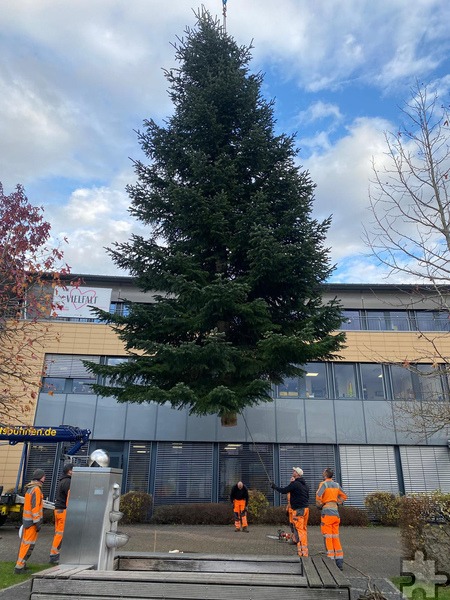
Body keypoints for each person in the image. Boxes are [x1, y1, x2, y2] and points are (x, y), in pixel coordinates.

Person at [271, 467, 309, 557]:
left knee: (300, 531)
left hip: (298, 510)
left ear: (298, 474)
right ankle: (301, 551)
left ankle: (303, 553)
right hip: (306, 509)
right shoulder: (304, 484)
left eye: (294, 471)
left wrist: (274, 487)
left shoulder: (295, 484)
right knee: (302, 529)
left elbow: (284, 490)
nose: (293, 472)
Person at [316, 467, 348, 571]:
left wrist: (320, 504)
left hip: (327, 514)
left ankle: (330, 562)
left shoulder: (323, 484)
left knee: (328, 537)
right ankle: (339, 562)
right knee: (336, 537)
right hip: (336, 514)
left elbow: (318, 495)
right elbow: (344, 496)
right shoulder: (336, 485)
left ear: (325, 475)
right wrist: (337, 502)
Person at [14, 468, 46, 574]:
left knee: (24, 544)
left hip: (27, 521)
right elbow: (35, 508)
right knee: (28, 544)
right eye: (44, 476)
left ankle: (20, 564)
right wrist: (37, 523)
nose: (45, 477)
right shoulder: (36, 490)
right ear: (40, 477)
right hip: (32, 522)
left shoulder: (30, 488)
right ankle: (19, 567)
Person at [49, 463, 73, 565]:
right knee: (60, 533)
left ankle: (55, 553)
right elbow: (69, 497)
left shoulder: (62, 481)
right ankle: (54, 554)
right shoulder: (68, 482)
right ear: (69, 471)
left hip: (58, 509)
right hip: (63, 510)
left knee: (58, 532)